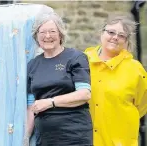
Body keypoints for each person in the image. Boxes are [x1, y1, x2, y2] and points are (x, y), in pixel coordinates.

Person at [25, 12, 93, 146]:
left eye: (52, 31)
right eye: (42, 32)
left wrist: (51, 102)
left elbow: (84, 94)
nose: (47, 36)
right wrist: (26, 137)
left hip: (75, 135)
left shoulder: (75, 57)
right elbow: (31, 107)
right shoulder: (32, 65)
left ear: (60, 34)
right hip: (45, 138)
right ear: (36, 36)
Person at [85, 15, 147, 146]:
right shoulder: (82, 62)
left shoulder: (135, 69)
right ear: (102, 33)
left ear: (127, 41)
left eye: (122, 35)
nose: (115, 37)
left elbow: (142, 105)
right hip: (84, 139)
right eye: (111, 32)